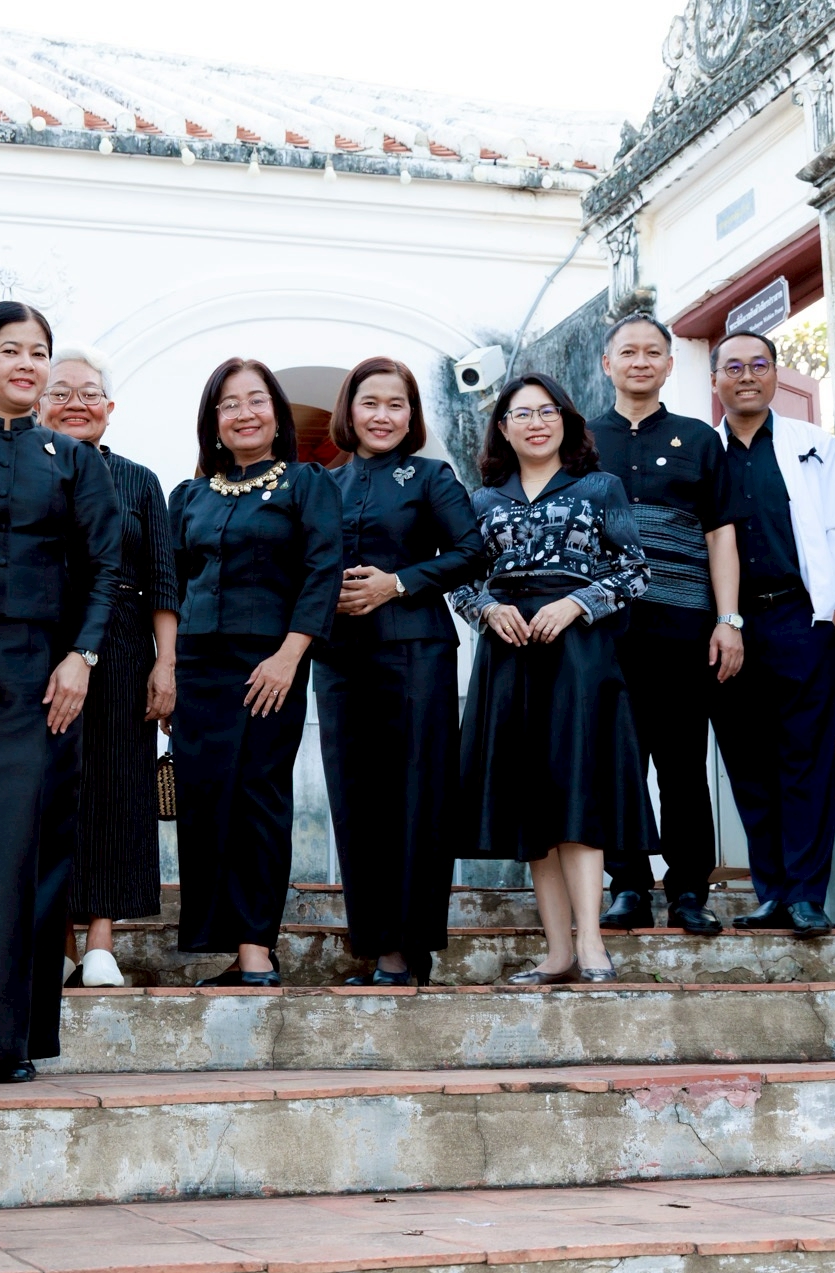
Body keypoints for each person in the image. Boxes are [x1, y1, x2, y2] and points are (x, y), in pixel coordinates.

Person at [0, 305, 121, 1085]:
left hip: (42, 682)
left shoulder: (71, 461)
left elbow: (106, 568)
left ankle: (9, 1039)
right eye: (12, 350)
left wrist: (82, 656)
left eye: (39, 352)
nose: (29, 364)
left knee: (19, 857)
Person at [450, 374, 655, 984]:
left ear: (565, 420)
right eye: (521, 414)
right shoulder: (481, 500)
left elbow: (637, 570)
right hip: (509, 658)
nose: (536, 422)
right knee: (531, 804)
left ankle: (591, 944)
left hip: (581, 658)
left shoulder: (599, 487)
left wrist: (577, 603)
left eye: (547, 411)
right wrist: (486, 609)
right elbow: (457, 579)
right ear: (503, 429)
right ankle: (558, 952)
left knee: (578, 791)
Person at [169, 358, 343, 986]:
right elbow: (173, 585)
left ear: (276, 414)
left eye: (256, 400)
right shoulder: (188, 495)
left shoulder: (307, 484)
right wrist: (166, 670)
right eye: (229, 404)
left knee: (258, 798)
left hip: (270, 660)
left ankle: (255, 951)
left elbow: (323, 571)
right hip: (197, 664)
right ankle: (219, 941)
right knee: (205, 800)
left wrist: (290, 655)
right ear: (213, 422)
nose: (244, 413)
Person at [312, 358, 483, 986]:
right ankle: (375, 944)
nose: (383, 416)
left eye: (397, 404)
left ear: (411, 416)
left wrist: (399, 583)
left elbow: (472, 551)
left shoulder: (432, 477)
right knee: (357, 800)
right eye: (371, 402)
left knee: (417, 798)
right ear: (349, 410)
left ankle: (408, 951)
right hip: (338, 659)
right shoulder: (320, 483)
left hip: (415, 654)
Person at [706, 331, 835, 938]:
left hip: (798, 619)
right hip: (726, 627)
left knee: (805, 760)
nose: (747, 376)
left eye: (759, 365)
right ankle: (771, 892)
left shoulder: (812, 445)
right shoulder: (705, 450)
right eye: (733, 367)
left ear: (774, 374)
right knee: (748, 760)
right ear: (716, 379)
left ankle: (805, 896)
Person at [589, 313, 743, 937]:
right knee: (617, 761)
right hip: (603, 630)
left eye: (654, 352)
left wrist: (728, 619)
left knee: (682, 764)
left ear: (670, 365)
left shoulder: (700, 440)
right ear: (608, 364)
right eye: (629, 352)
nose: (641, 362)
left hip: (684, 626)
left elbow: (721, 534)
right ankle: (627, 886)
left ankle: (688, 891)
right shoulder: (579, 441)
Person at [40, 346, 178, 989]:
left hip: (123, 648)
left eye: (89, 393)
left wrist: (166, 665)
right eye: (60, 391)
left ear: (110, 408)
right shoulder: (19, 467)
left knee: (118, 790)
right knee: (48, 789)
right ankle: (58, 946)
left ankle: (100, 945)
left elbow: (162, 579)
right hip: (40, 643)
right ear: (38, 402)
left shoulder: (139, 480)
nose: (76, 403)